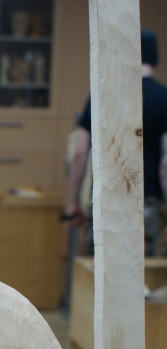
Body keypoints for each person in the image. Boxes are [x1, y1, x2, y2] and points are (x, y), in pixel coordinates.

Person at [64, 30, 167, 255]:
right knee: (141, 273)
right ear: (155, 57)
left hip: (106, 202)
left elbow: (79, 152)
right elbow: (165, 164)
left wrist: (73, 202)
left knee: (97, 270)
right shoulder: (164, 97)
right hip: (145, 205)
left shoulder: (102, 95)